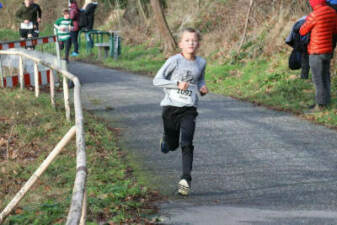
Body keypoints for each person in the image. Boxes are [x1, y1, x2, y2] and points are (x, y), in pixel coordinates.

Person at [153, 28, 209, 196]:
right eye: (187, 40)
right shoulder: (174, 61)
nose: (191, 43)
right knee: (173, 145)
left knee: (187, 142)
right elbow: (157, 80)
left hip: (189, 109)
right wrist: (177, 84)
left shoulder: (201, 62)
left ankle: (185, 179)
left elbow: (200, 79)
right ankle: (166, 141)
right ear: (180, 44)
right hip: (170, 108)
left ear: (198, 43)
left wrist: (202, 88)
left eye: (193, 40)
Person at [300, 0, 337, 111]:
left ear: (314, 4)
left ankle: (320, 105)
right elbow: (335, 29)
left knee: (318, 79)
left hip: (316, 51)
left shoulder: (314, 15)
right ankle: (326, 102)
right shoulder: (332, 12)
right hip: (328, 50)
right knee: (326, 77)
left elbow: (303, 30)